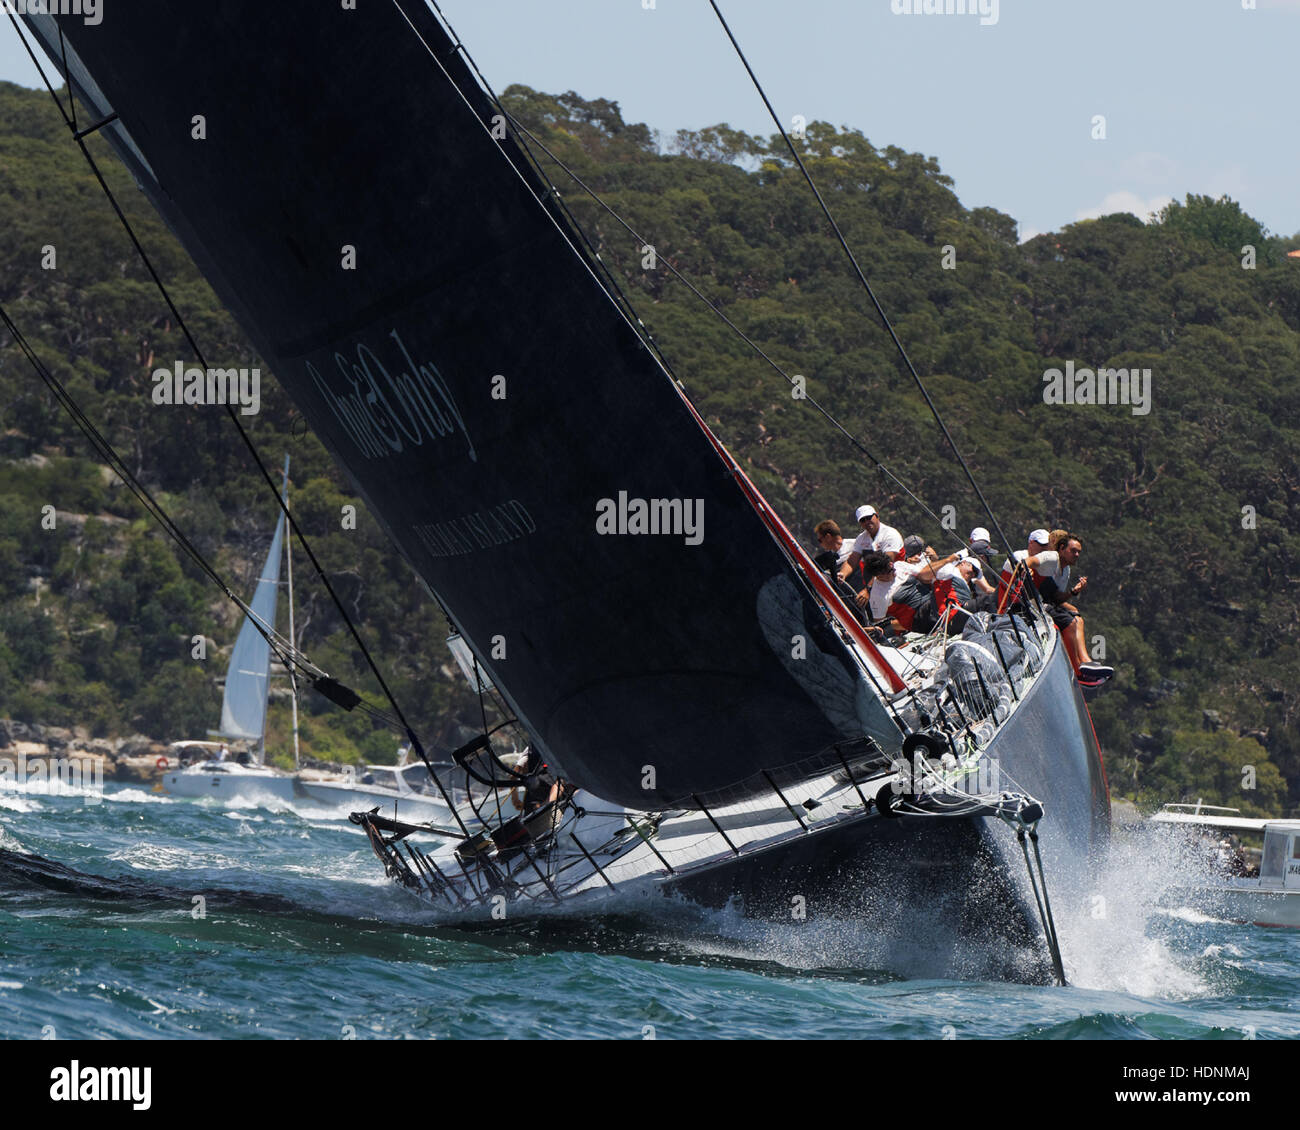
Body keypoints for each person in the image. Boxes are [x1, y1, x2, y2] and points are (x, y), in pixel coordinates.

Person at [1023, 532, 1113, 685]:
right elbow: (1028, 561)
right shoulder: (1051, 558)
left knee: (1078, 619)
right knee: (1070, 622)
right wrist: (1026, 570)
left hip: (1048, 601)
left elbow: (1057, 598)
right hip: (1035, 603)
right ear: (1062, 548)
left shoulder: (1065, 570)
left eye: (1079, 552)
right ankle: (1077, 670)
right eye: (1073, 551)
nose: (1077, 555)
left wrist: (1074, 591)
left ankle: (1085, 661)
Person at [839, 505, 903, 589]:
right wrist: (842, 574)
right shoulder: (861, 539)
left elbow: (885, 564)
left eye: (869, 517)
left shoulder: (890, 534)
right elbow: (851, 562)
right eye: (862, 520)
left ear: (877, 516)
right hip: (875, 589)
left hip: (895, 584)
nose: (866, 522)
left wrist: (868, 589)